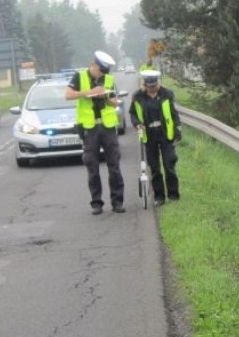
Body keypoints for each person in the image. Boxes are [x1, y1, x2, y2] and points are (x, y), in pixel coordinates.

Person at [65, 51, 125, 215]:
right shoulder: (79, 76)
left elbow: (114, 103)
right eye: (100, 71)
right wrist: (89, 92)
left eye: (104, 72)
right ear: (93, 65)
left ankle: (118, 202)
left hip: (108, 127)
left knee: (114, 165)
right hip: (90, 128)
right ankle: (96, 203)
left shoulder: (109, 79)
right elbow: (68, 95)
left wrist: (106, 97)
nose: (102, 75)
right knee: (92, 167)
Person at [130, 69, 182, 206]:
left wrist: (177, 130)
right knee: (154, 168)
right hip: (149, 135)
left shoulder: (167, 94)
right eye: (149, 87)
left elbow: (175, 114)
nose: (152, 89)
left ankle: (173, 195)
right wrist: (137, 124)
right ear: (145, 84)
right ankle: (159, 197)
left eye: (154, 86)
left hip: (165, 134)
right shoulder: (138, 97)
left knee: (169, 165)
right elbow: (133, 114)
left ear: (157, 83)